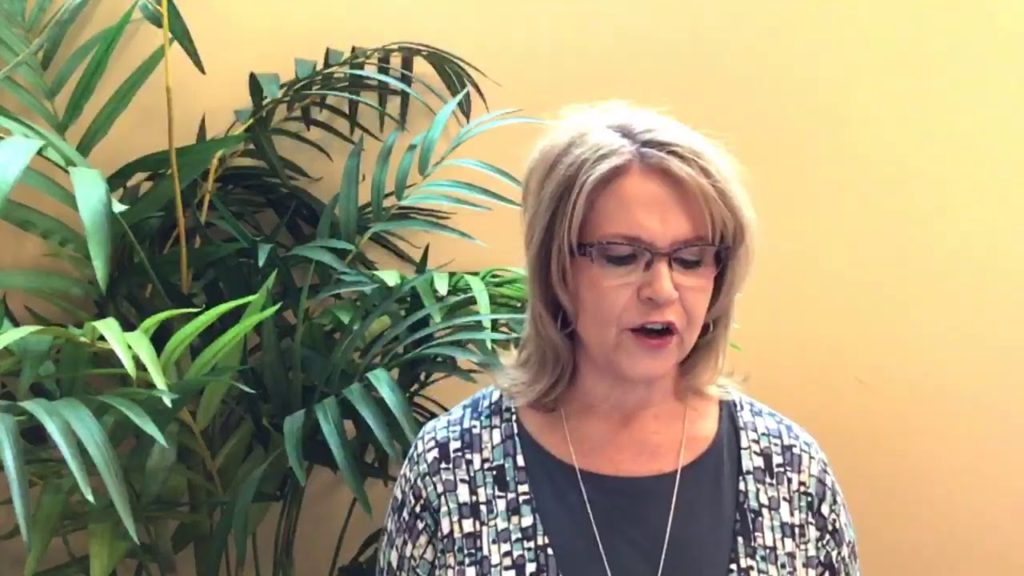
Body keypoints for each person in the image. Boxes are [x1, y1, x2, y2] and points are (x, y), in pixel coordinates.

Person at [376, 101, 859, 575]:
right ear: (557, 268)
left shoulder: (789, 468)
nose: (662, 290)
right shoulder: (452, 464)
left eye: (690, 259)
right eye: (622, 256)